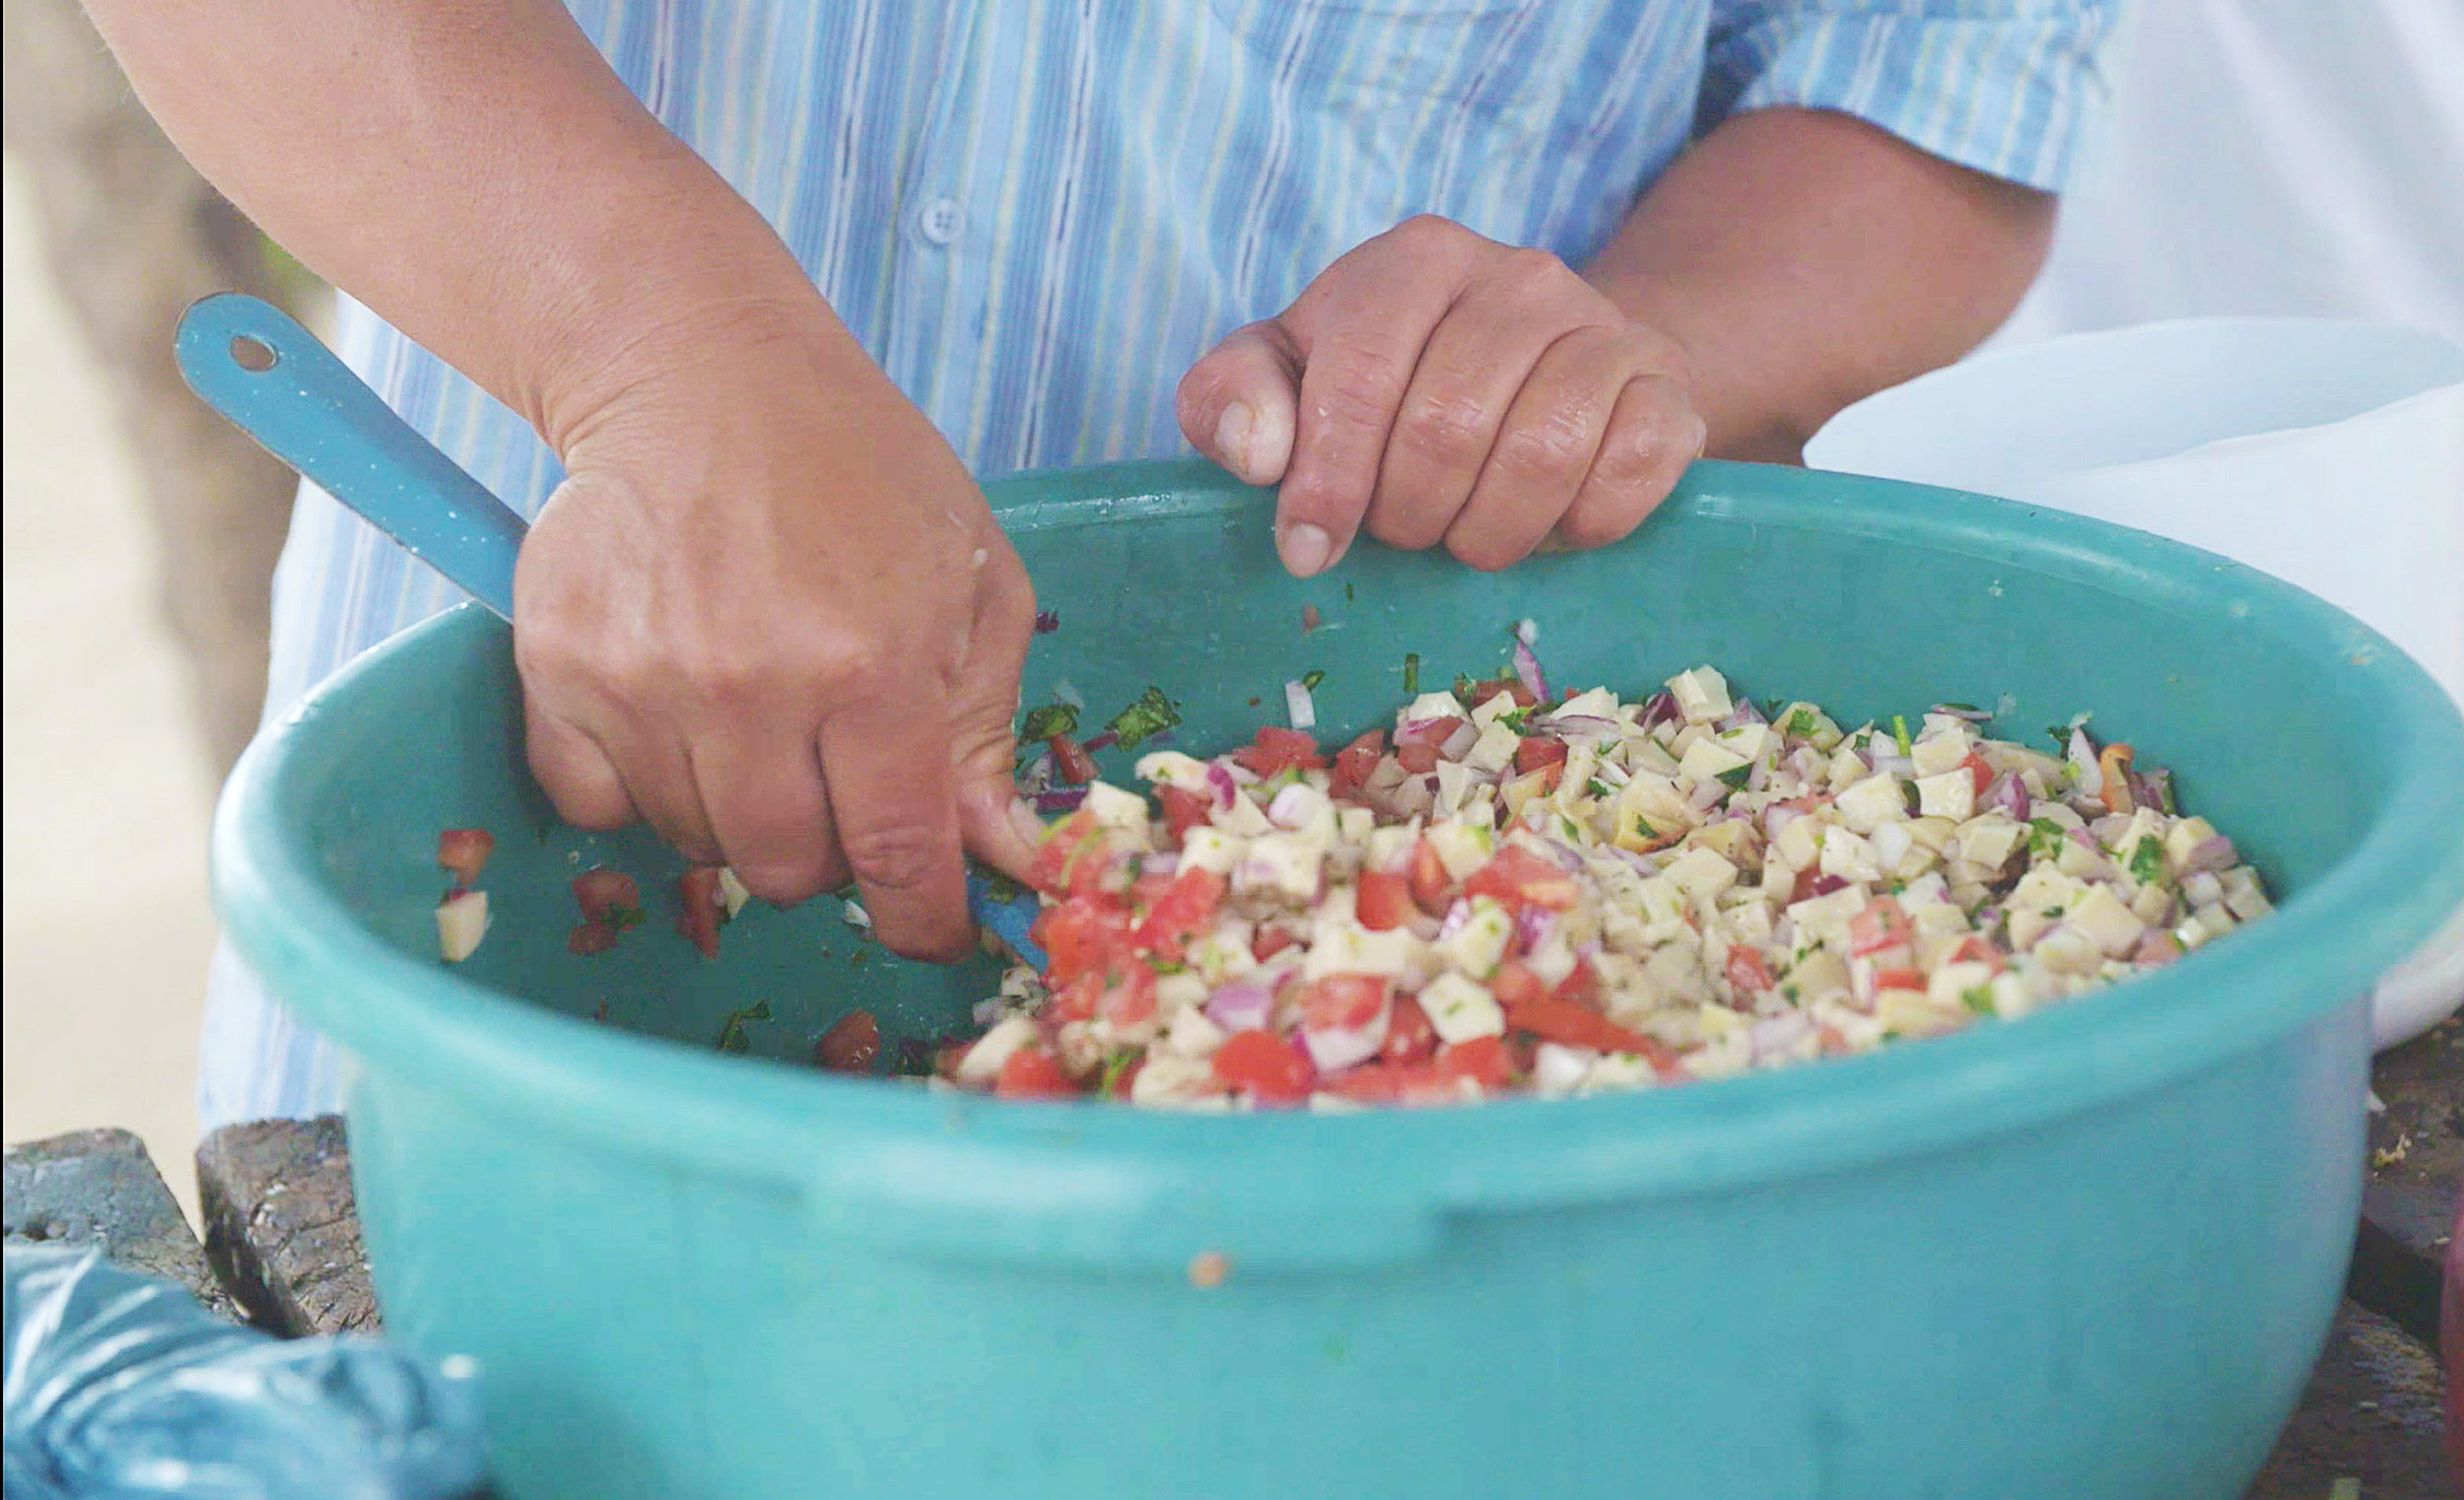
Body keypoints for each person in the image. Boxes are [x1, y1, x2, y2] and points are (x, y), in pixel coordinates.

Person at [80, 0, 2113, 1125]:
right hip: (541, 837)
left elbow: (1923, 93)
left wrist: (1628, 347)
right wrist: (657, 351)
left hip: (1416, 866)